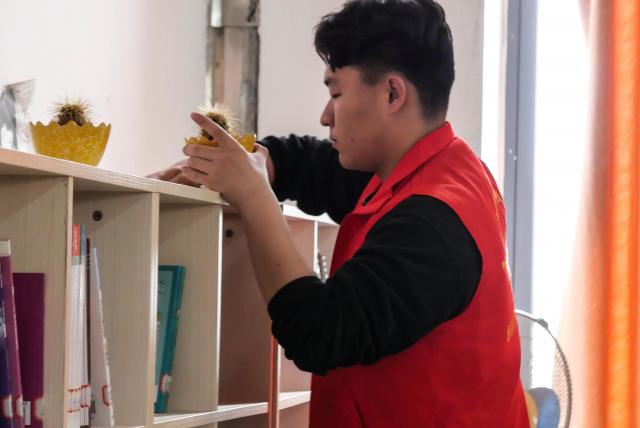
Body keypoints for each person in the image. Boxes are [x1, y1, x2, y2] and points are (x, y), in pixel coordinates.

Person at [150, 0, 529, 426]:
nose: (325, 115)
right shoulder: (441, 170)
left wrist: (254, 198)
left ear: (392, 93)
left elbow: (319, 332)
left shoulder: (434, 220)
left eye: (336, 94)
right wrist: (260, 162)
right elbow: (316, 167)